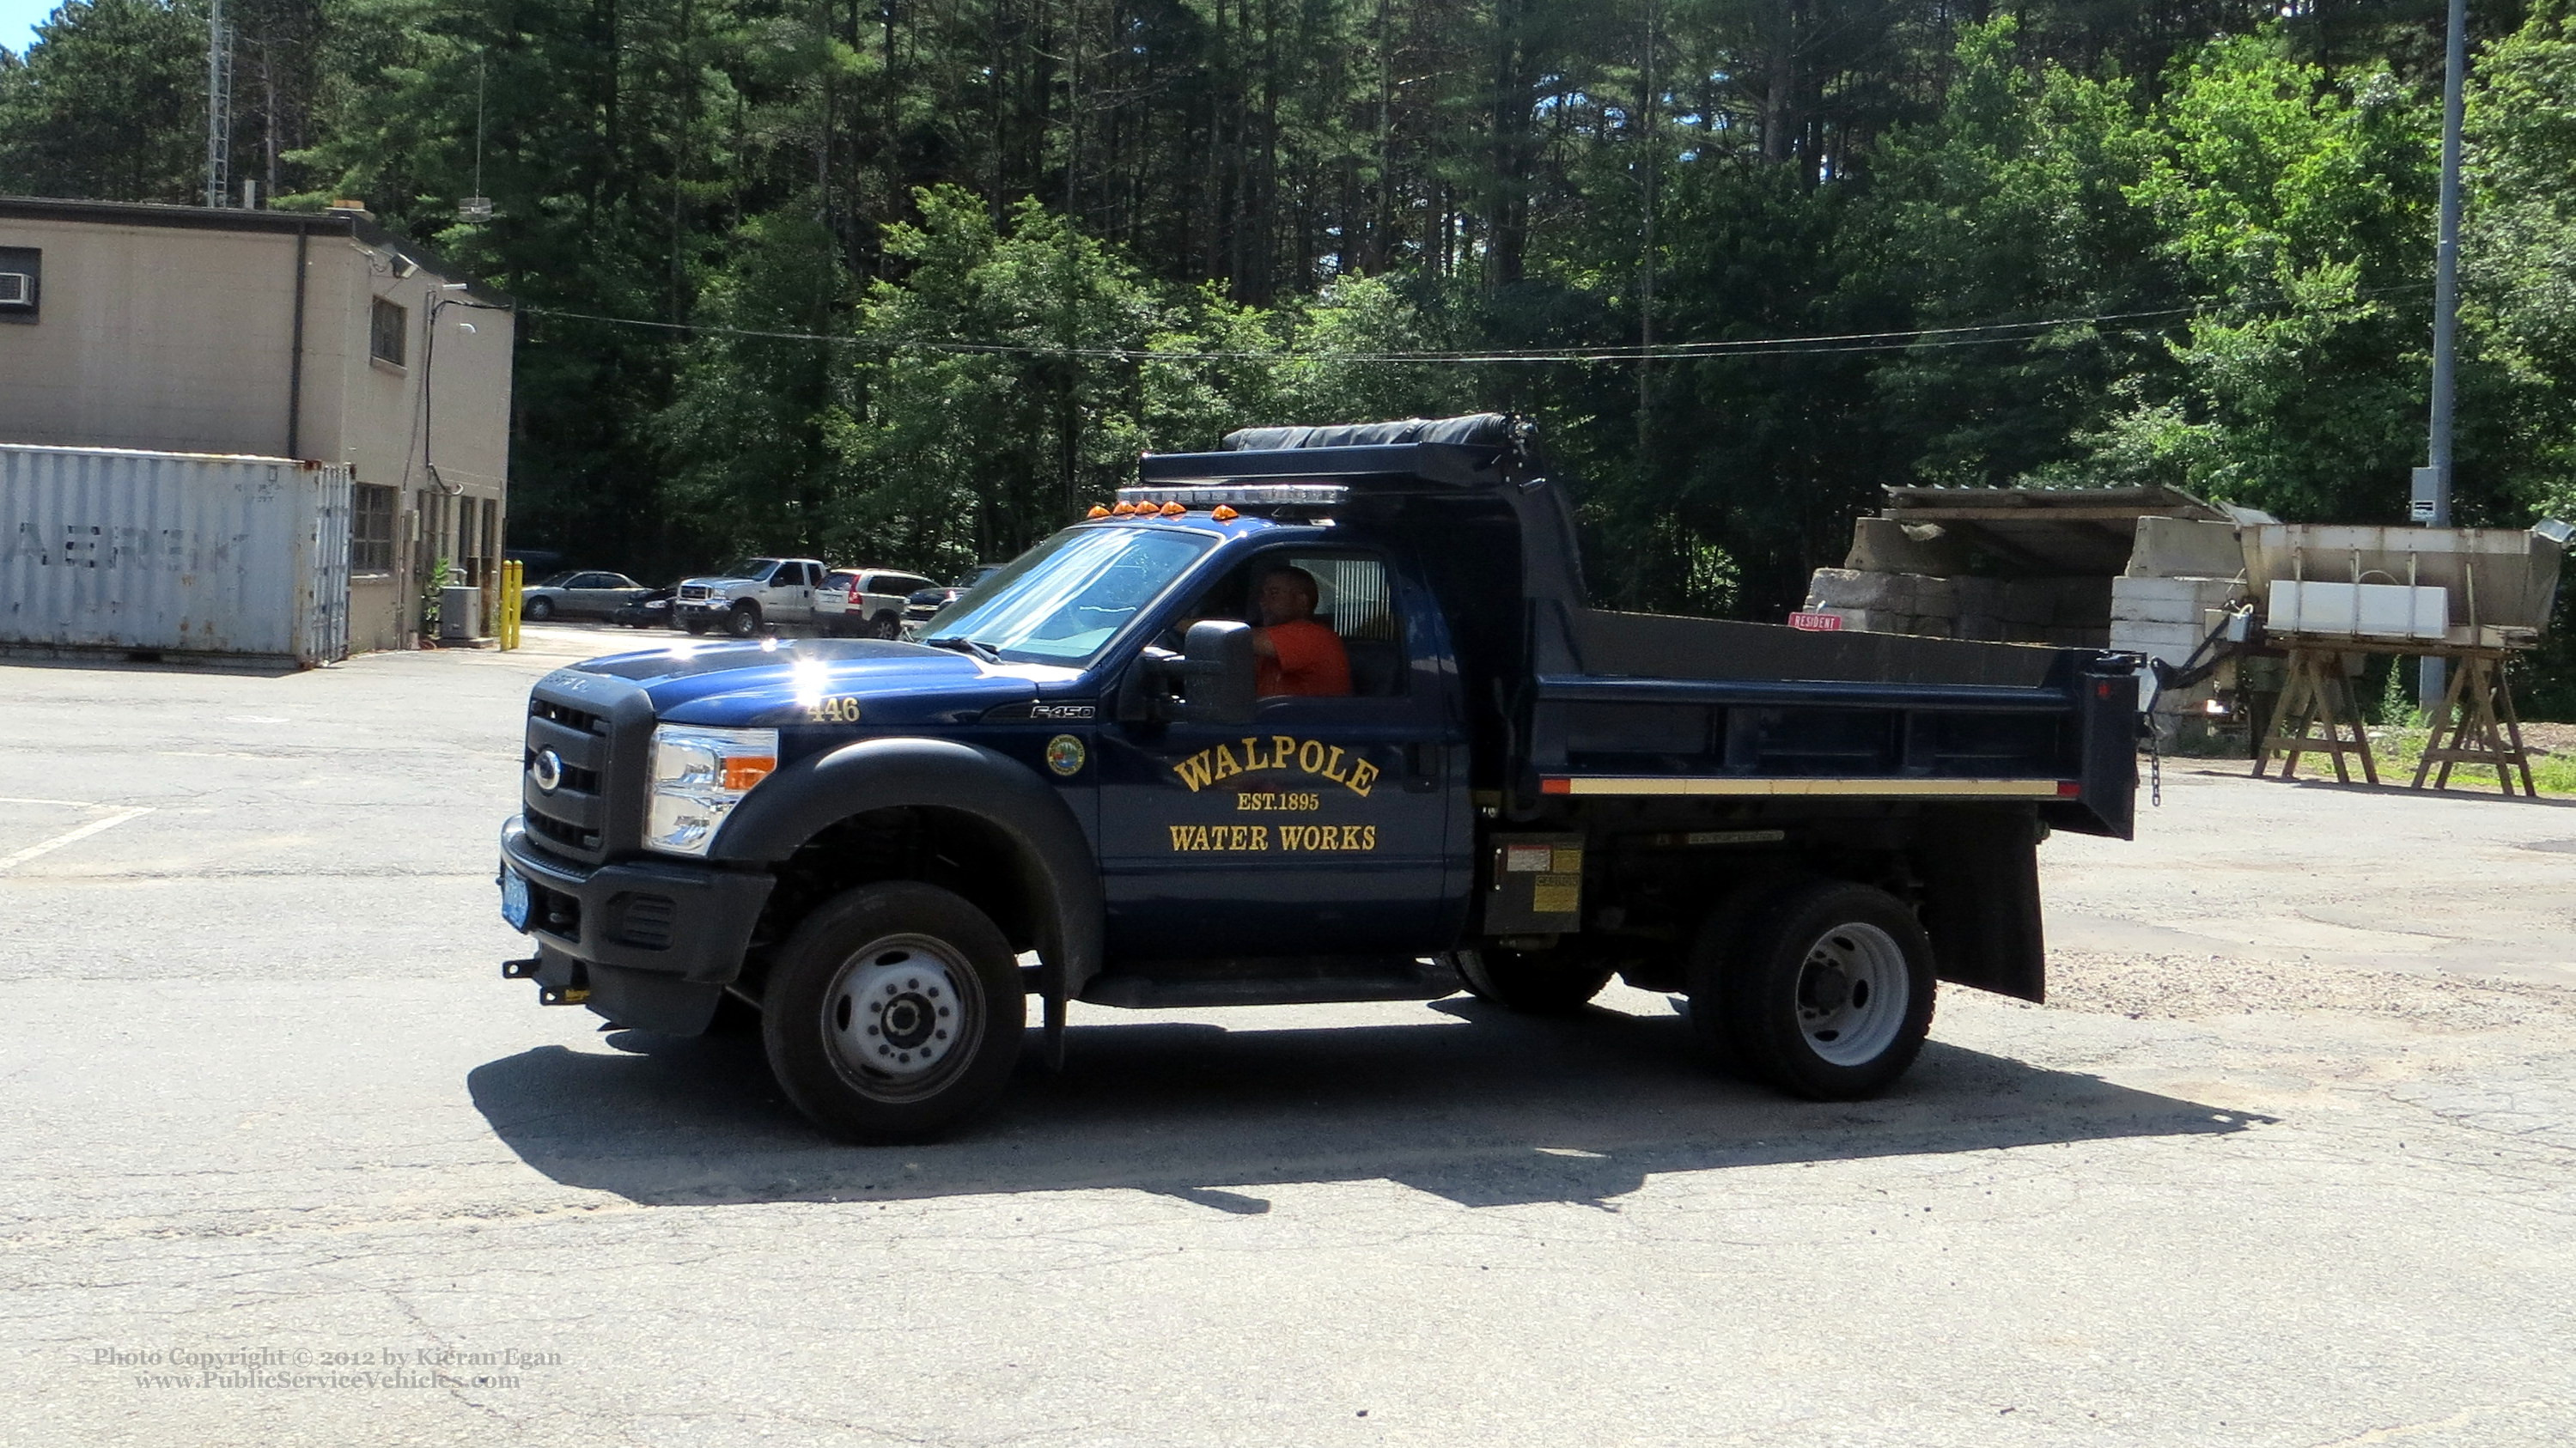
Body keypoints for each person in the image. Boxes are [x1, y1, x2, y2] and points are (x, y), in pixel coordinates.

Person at [1250, 566, 1350, 697]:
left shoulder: (1313, 636)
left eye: (1274, 593)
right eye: (1262, 594)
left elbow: (1237, 638)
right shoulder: (1276, 640)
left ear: (1302, 600)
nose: (1262, 601)